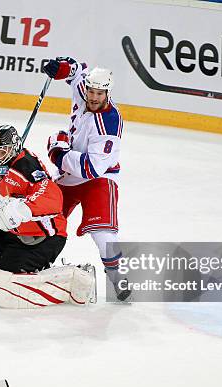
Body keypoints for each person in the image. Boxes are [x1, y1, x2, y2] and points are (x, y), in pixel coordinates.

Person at [0, 125, 96, 308]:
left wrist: (24, 208)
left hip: (43, 238)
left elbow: (52, 195)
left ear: (14, 146)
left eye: (3, 151)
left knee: (7, 275)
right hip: (17, 231)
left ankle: (76, 276)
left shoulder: (27, 167)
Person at [42, 57, 130, 301]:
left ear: (107, 93)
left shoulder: (110, 123)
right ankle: (34, 261)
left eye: (99, 93)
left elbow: (91, 168)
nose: (93, 97)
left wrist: (58, 154)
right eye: (91, 91)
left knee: (102, 231)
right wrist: (60, 69)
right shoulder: (85, 90)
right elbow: (76, 70)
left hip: (100, 178)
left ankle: (117, 277)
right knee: (46, 217)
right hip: (69, 177)